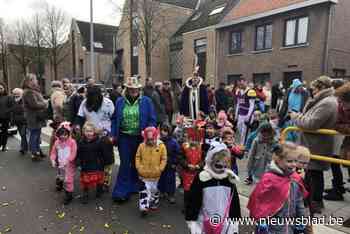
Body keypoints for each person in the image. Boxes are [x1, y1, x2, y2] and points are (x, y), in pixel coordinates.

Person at [290, 75, 338, 214]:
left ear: (321, 87)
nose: (312, 92)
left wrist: (296, 117)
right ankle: (311, 201)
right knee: (312, 173)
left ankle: (315, 203)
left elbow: (311, 123)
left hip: (316, 144)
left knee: (315, 174)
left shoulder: (327, 102)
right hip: (314, 144)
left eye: (314, 89)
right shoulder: (324, 100)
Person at [111, 76, 157, 202]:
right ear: (127, 88)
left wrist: (150, 132)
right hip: (124, 137)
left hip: (140, 138)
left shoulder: (146, 101)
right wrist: (113, 134)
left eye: (135, 89)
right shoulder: (120, 101)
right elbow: (115, 119)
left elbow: (152, 119)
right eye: (130, 88)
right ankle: (121, 191)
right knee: (125, 163)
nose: (133, 91)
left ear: (139, 89)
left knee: (137, 163)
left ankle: (134, 186)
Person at [247, 142, 308, 234]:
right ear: (278, 159)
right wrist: (261, 222)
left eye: (295, 161)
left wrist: (302, 220)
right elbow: (258, 203)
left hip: (289, 228)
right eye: (289, 161)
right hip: (272, 229)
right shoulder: (269, 179)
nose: (293, 164)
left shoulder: (295, 179)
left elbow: (299, 201)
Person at [185, 142, 241, 234]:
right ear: (211, 160)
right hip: (203, 222)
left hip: (224, 223)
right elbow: (193, 201)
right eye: (218, 165)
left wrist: (234, 223)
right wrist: (192, 221)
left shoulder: (229, 179)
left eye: (225, 165)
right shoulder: (202, 178)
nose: (222, 168)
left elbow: (234, 203)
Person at [135, 126, 167, 216]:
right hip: (143, 174)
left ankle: (154, 200)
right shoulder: (141, 146)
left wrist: (160, 168)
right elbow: (138, 157)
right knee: (144, 190)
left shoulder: (161, 146)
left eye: (152, 139)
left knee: (153, 190)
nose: (150, 142)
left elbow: (164, 158)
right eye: (148, 140)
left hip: (155, 174)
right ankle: (144, 207)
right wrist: (139, 167)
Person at [76, 122, 106, 204]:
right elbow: (78, 153)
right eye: (87, 131)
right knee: (85, 181)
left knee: (99, 178)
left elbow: (103, 153)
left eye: (91, 131)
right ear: (83, 132)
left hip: (97, 164)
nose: (89, 133)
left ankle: (99, 190)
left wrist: (103, 162)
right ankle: (85, 194)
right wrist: (78, 163)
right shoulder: (81, 142)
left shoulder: (99, 142)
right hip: (85, 164)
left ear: (94, 132)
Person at [178, 121, 205, 210]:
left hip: (197, 173)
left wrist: (199, 166)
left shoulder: (201, 149)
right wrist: (187, 165)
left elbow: (204, 160)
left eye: (195, 139)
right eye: (191, 139)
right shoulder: (184, 147)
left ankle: (196, 206)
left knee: (196, 191)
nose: (193, 141)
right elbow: (181, 158)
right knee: (187, 191)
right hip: (187, 173)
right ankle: (187, 206)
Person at [50, 122, 77, 205]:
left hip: (70, 165)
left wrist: (68, 161)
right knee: (60, 176)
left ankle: (69, 195)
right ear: (58, 134)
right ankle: (60, 184)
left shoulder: (72, 142)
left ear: (68, 133)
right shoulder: (57, 142)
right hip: (60, 164)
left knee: (69, 180)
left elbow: (73, 153)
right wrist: (53, 160)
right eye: (61, 134)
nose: (63, 136)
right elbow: (53, 153)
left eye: (65, 134)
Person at [22, 74, 48, 161]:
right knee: (34, 135)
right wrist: (45, 103)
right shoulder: (29, 92)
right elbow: (34, 104)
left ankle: (37, 151)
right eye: (35, 79)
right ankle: (34, 154)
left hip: (36, 116)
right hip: (33, 117)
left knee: (36, 135)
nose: (36, 81)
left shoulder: (32, 91)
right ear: (30, 81)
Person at [158, 123, 181, 204]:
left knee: (171, 179)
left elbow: (178, 153)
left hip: (171, 164)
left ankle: (171, 194)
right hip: (161, 164)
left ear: (169, 131)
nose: (163, 132)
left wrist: (175, 163)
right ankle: (162, 192)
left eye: (165, 131)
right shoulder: (159, 141)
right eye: (162, 130)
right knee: (161, 178)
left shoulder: (173, 142)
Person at [235, 78, 256, 144]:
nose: (241, 85)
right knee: (239, 128)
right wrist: (236, 114)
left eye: (242, 83)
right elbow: (238, 103)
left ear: (246, 83)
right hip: (241, 114)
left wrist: (248, 116)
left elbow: (252, 105)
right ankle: (244, 142)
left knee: (244, 131)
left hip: (247, 114)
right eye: (240, 84)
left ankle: (243, 145)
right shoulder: (238, 91)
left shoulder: (251, 91)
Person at [11, 88, 27, 155]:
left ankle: (23, 148)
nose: (16, 95)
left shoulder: (24, 100)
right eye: (15, 94)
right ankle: (25, 147)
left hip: (24, 120)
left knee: (23, 134)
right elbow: (11, 111)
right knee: (22, 135)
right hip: (18, 121)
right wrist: (12, 121)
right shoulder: (12, 100)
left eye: (17, 93)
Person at [0, 82, 14, 152]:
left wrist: (6, 111)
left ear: (4, 89)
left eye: (1, 88)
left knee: (4, 132)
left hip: (5, 117)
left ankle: (4, 146)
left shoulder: (8, 97)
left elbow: (12, 107)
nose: (0, 90)